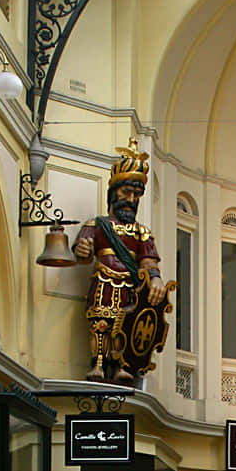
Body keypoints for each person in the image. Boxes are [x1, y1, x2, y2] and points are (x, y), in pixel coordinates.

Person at [73, 138, 166, 381]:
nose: (132, 200)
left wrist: (155, 279)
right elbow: (84, 250)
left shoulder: (141, 231)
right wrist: (82, 249)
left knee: (123, 326)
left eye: (137, 194)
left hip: (129, 286)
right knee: (101, 324)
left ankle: (123, 364)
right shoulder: (97, 224)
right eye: (127, 192)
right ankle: (98, 364)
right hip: (103, 281)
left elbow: (148, 261)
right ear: (114, 193)